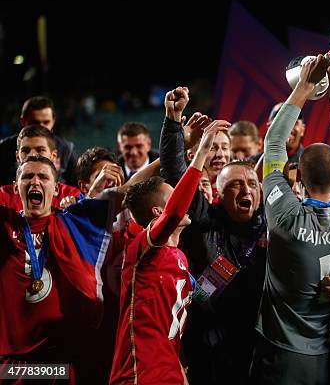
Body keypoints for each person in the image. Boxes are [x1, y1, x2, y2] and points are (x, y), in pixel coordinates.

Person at [251, 53, 330, 384]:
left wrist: (304, 85)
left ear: (297, 175)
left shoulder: (284, 215)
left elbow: (274, 142)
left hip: (283, 353)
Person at [0, 154, 158, 383]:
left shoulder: (75, 221)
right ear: (15, 188)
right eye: (28, 177)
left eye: (43, 177)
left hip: (61, 361)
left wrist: (175, 142)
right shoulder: (4, 225)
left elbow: (129, 190)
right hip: (11, 363)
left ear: (56, 188)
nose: (35, 182)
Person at [159, 86, 267, 384]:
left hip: (261, 348)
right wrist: (172, 121)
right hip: (211, 349)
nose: (246, 190)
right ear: (218, 193)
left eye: (252, 184)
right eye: (235, 185)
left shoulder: (273, 224)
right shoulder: (205, 221)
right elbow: (175, 173)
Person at [110, 113, 227, 384]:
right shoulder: (141, 249)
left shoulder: (180, 256)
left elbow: (190, 305)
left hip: (170, 371)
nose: (182, 196)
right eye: (173, 193)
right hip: (139, 373)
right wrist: (201, 153)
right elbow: (174, 213)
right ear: (158, 212)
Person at [0, 125, 83, 211]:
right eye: (26, 151)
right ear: (17, 157)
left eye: (40, 150)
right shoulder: (3, 197)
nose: (32, 155)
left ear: (53, 156)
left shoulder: (72, 197)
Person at [0, 96, 78, 186]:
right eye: (35, 122)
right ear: (23, 121)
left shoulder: (66, 150)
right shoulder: (4, 148)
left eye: (46, 122)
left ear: (53, 121)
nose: (41, 127)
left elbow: (76, 190)